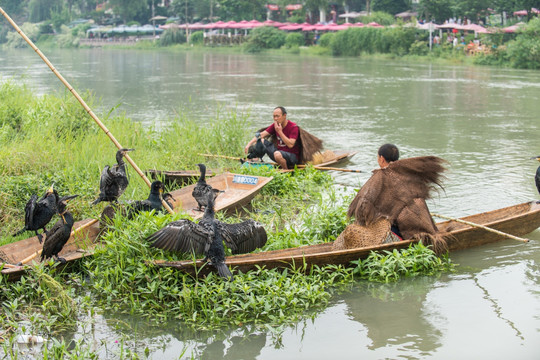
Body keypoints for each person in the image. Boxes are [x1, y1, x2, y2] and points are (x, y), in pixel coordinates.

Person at [334, 144, 448, 253]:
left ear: (382, 159)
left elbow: (363, 208)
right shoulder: (406, 172)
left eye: (378, 157)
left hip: (400, 231)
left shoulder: (381, 177)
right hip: (420, 223)